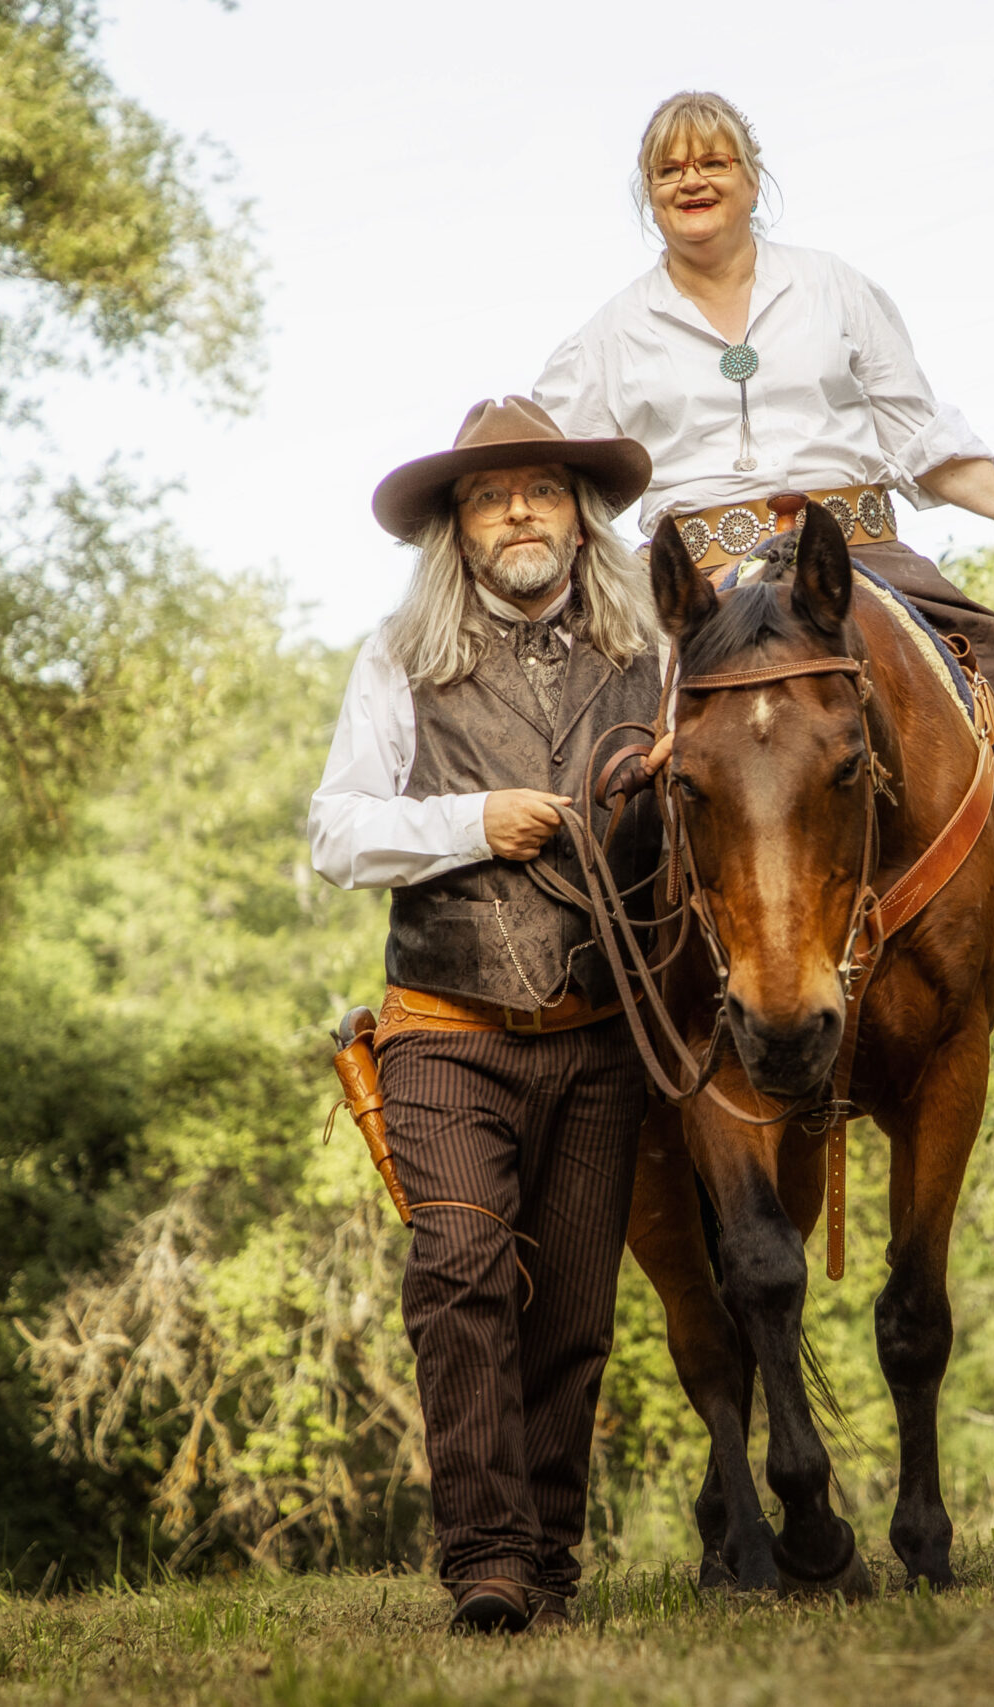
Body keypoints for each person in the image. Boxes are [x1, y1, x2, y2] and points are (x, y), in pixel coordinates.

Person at [534, 90, 994, 1059]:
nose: (692, 180)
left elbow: (920, 434)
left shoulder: (834, 290)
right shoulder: (608, 334)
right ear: (649, 195)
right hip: (697, 591)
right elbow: (551, 469)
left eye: (712, 161)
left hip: (845, 556)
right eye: (669, 169)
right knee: (599, 752)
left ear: (751, 177)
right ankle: (593, 1025)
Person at [308, 396, 663, 1635]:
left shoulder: (656, 656)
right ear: (455, 528)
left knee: (571, 1313)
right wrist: (473, 823)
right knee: (457, 1268)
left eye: (543, 490)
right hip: (444, 1028)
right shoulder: (397, 658)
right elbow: (337, 832)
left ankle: (545, 1568)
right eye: (488, 493)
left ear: (579, 516)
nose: (519, 510)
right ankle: (486, 1565)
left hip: (601, 1038)